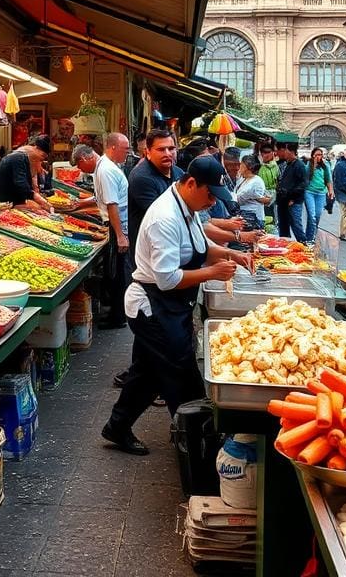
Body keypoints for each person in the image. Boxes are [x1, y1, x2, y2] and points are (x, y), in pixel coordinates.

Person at [102, 157, 251, 455]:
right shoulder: (165, 217)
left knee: (148, 373)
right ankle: (199, 440)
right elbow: (167, 278)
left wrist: (232, 255)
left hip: (171, 306)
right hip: (153, 307)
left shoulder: (188, 207)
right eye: (210, 195)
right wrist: (213, 272)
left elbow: (201, 246)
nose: (212, 203)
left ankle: (117, 427)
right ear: (191, 183)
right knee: (181, 371)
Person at [85, 135, 131, 330]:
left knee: (119, 272)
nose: (128, 153)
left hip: (119, 225)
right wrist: (120, 235)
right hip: (118, 225)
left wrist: (120, 235)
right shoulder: (107, 169)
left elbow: (111, 203)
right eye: (125, 149)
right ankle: (118, 315)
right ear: (112, 147)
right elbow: (111, 204)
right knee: (117, 273)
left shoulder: (107, 168)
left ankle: (119, 315)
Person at [127, 129, 183, 263]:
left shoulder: (178, 172)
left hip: (173, 245)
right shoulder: (141, 178)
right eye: (161, 149)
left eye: (171, 148)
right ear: (148, 152)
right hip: (151, 250)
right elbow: (164, 218)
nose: (168, 154)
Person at [0, 134, 52, 210]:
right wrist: (38, 198)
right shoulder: (18, 158)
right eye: (42, 156)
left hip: (11, 202)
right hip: (1, 204)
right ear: (35, 148)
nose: (41, 160)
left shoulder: (26, 159)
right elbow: (21, 183)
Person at [276, 143, 307, 241]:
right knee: (283, 225)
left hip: (292, 201)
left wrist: (293, 197)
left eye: (285, 150)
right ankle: (285, 244)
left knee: (296, 225)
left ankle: (303, 244)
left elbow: (303, 184)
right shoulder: (288, 164)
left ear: (291, 151)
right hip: (283, 200)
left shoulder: (299, 165)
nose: (284, 153)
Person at [303, 147, 334, 243]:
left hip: (321, 193)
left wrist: (330, 190)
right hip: (310, 192)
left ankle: (312, 235)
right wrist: (314, 164)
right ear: (312, 155)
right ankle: (310, 239)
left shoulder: (325, 165)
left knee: (317, 216)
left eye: (320, 155)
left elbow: (328, 179)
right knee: (311, 215)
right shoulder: (309, 165)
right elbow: (306, 176)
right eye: (316, 155)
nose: (318, 157)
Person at [234, 154, 270, 229]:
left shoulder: (256, 182)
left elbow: (240, 199)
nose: (239, 167)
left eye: (241, 164)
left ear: (248, 167)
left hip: (253, 219)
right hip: (244, 216)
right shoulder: (243, 179)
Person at [258, 143, 279, 228]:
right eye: (264, 152)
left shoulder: (277, 167)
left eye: (268, 152)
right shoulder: (259, 167)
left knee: (272, 219)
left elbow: (279, 182)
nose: (265, 155)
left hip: (274, 197)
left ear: (272, 153)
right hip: (262, 197)